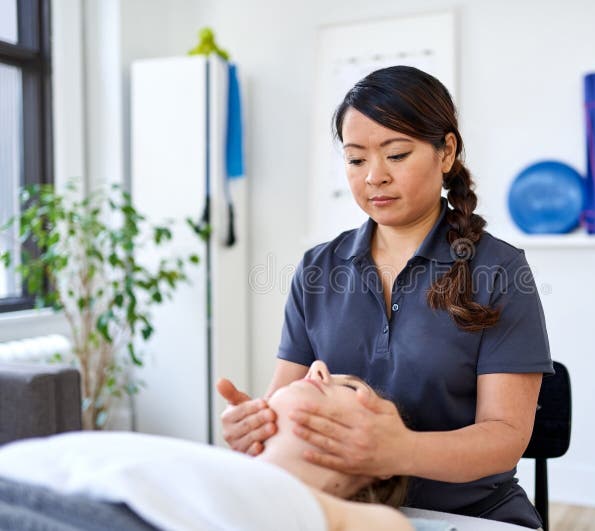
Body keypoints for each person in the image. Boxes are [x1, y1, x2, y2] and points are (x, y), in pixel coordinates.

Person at [219, 65, 553, 529]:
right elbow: (284, 401)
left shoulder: (499, 271)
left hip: (470, 514)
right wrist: (256, 425)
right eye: (356, 160)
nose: (374, 176)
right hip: (341, 509)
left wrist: (400, 450)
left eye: (396, 154)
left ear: (446, 153)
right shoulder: (318, 270)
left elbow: (506, 437)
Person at [0, 361, 413, 531]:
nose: (319, 366)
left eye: (348, 386)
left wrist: (393, 455)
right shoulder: (220, 468)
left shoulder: (330, 512)